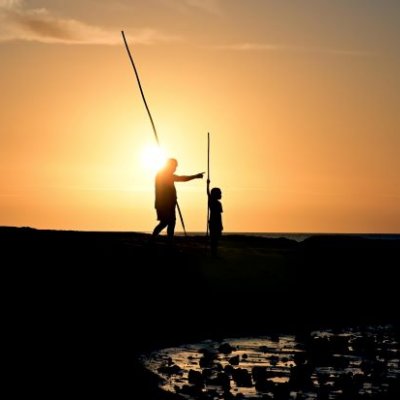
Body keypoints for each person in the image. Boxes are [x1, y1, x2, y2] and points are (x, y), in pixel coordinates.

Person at [152, 158, 204, 241]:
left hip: (168, 204)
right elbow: (181, 178)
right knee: (166, 222)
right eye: (174, 167)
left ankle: (165, 240)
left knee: (168, 222)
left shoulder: (163, 174)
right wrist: (195, 176)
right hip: (164, 205)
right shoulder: (164, 174)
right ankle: (157, 240)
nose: (175, 169)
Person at [207, 179, 223, 256]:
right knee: (214, 239)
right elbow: (208, 193)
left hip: (214, 222)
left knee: (215, 239)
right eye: (219, 193)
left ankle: (214, 253)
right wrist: (208, 184)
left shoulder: (216, 202)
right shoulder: (213, 201)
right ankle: (214, 253)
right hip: (214, 222)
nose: (221, 195)